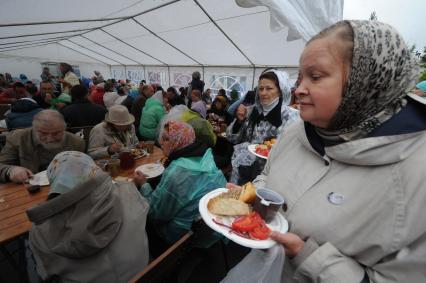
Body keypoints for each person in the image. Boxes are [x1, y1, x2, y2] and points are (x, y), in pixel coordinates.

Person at [245, 20, 426, 282]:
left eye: (315, 77)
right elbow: (269, 173)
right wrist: (254, 198)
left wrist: (310, 259)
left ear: (365, 82)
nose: (298, 89)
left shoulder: (417, 173)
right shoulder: (297, 130)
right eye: (300, 77)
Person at [27, 151, 149, 282]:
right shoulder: (127, 191)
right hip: (145, 273)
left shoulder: (40, 231)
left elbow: (45, 272)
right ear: (94, 170)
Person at [137, 120, 226, 247]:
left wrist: (144, 185)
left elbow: (155, 214)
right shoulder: (206, 156)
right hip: (213, 229)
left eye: (166, 139)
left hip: (183, 237)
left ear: (179, 141)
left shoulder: (177, 172)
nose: (161, 142)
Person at [226, 70, 299, 184]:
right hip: (244, 171)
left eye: (269, 88)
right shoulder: (250, 111)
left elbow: (293, 154)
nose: (263, 93)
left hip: (269, 176)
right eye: (260, 89)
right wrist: (239, 121)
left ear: (280, 91)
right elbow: (232, 138)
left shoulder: (292, 117)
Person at [0, 110, 85, 183]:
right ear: (34, 129)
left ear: (64, 129)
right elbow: (2, 165)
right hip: (26, 190)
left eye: (56, 133)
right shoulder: (18, 138)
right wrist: (10, 171)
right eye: (43, 133)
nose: (50, 139)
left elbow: (83, 170)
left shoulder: (77, 143)